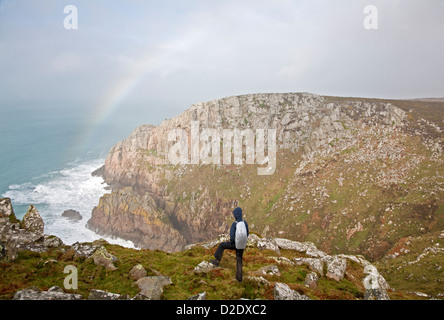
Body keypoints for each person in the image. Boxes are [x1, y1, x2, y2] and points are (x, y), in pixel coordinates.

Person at [211, 207, 249, 282]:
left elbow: (232, 235)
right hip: (242, 245)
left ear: (236, 215)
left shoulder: (235, 224)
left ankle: (216, 261)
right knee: (239, 260)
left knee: (222, 245)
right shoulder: (245, 223)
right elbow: (247, 233)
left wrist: (232, 242)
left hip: (235, 244)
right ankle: (239, 278)